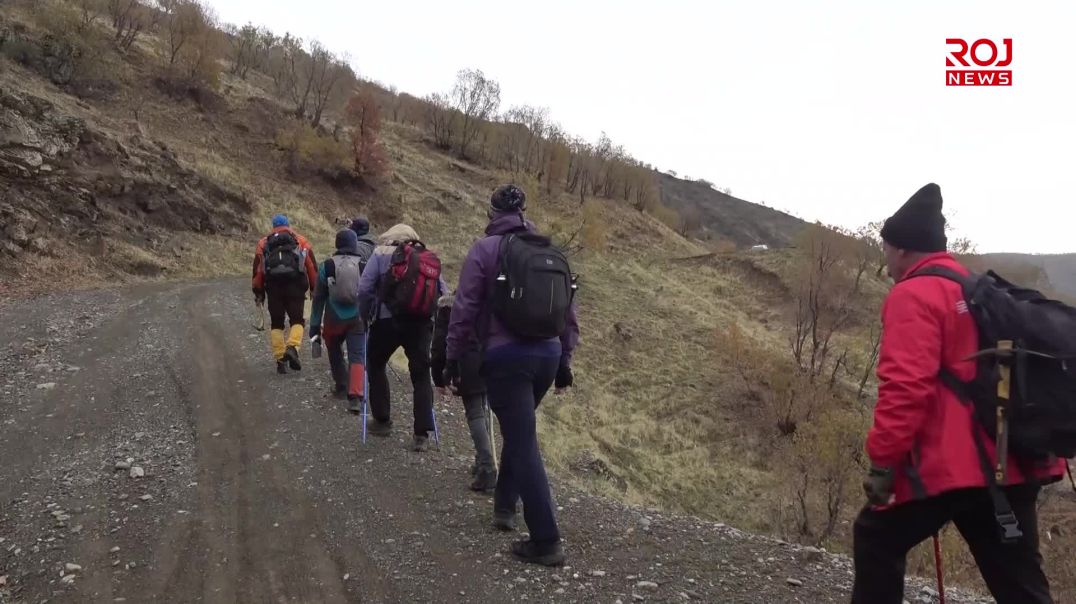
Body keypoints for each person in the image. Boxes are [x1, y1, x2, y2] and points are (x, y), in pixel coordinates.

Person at [852, 183, 1064, 604]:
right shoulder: (975, 287)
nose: (887, 260)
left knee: (876, 537)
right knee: (1021, 586)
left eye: (887, 249)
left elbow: (905, 390)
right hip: (1013, 460)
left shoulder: (912, 294)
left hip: (958, 469)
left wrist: (883, 464)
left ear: (900, 248)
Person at [445, 184, 579, 567]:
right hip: (548, 356)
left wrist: (453, 357)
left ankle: (546, 539)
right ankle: (504, 506)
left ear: (491, 212)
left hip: (506, 357)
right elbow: (570, 312)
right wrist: (565, 359)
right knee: (519, 433)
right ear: (525, 211)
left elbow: (464, 306)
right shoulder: (549, 250)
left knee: (522, 441)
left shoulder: (485, 250)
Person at [357, 224, 446, 451]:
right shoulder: (426, 257)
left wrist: (365, 314)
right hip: (420, 325)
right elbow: (443, 292)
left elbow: (365, 288)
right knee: (421, 375)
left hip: (386, 321)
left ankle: (382, 420)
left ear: (389, 237)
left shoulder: (380, 253)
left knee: (375, 364)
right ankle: (421, 435)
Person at [432, 292, 497, 492]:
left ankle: (487, 466)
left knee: (475, 413)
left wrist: (439, 377)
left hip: (465, 365)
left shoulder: (447, 308)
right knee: (483, 410)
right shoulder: (487, 304)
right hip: (491, 360)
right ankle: (482, 461)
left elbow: (439, 346)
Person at [310, 229, 371, 413]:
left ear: (337, 244)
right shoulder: (363, 265)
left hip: (333, 317)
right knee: (358, 355)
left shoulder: (327, 265)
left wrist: (314, 325)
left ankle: (341, 385)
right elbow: (370, 294)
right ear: (354, 244)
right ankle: (355, 397)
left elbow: (318, 297)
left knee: (334, 349)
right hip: (358, 318)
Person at [252, 214, 317, 374]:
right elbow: (311, 267)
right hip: (295, 286)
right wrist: (315, 288)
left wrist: (258, 291)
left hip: (273, 287)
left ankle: (280, 359)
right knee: (297, 320)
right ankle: (293, 347)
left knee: (276, 323)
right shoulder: (300, 241)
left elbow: (258, 271)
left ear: (273, 226)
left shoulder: (263, 243)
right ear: (288, 225)